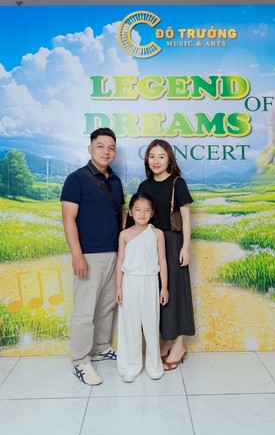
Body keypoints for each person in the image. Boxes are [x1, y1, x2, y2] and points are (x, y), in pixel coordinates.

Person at [61, 127, 124, 385]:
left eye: (111, 148)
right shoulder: (76, 179)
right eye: (100, 146)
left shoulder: (115, 180)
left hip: (114, 253)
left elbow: (121, 214)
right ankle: (80, 361)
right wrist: (77, 255)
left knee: (107, 305)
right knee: (85, 310)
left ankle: (100, 347)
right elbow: (68, 218)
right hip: (89, 255)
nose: (106, 152)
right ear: (90, 149)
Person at [136, 139, 194, 371]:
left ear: (169, 159)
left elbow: (186, 217)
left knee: (176, 292)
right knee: (156, 293)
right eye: (152, 156)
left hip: (172, 242)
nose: (156, 161)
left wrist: (185, 247)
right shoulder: (144, 185)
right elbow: (139, 216)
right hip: (151, 242)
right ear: (147, 160)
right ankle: (164, 341)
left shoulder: (178, 183)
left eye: (161, 156)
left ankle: (178, 344)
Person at [115, 193, 169, 383]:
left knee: (151, 324)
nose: (142, 213)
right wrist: (118, 287)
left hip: (150, 282)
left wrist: (164, 288)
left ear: (152, 213)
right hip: (129, 282)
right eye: (138, 209)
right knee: (130, 325)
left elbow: (162, 261)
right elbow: (120, 262)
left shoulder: (157, 234)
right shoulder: (124, 235)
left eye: (147, 210)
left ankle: (154, 365)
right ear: (130, 212)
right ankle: (130, 365)